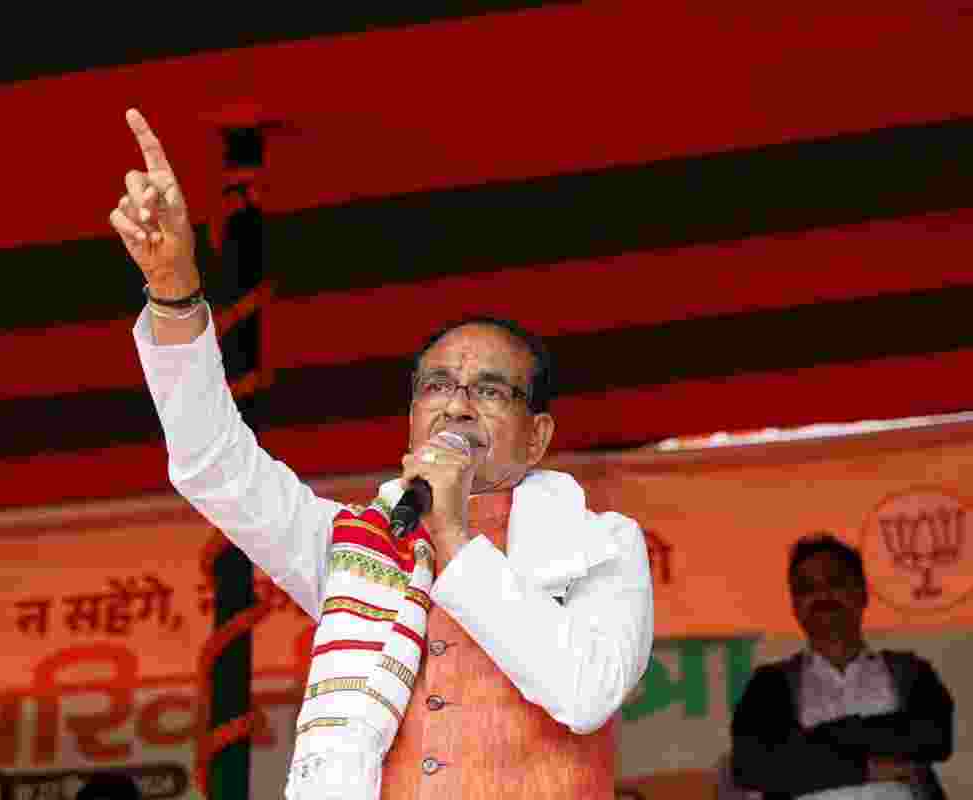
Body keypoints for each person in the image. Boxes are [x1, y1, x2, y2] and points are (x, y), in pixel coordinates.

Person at [108, 108, 655, 800]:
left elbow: (584, 691)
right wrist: (174, 292)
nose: (457, 406)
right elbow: (214, 466)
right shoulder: (358, 550)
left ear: (538, 436)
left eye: (490, 390)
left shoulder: (602, 547)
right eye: (437, 386)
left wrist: (453, 535)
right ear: (412, 416)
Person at [731, 533, 954, 800]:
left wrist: (808, 747)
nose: (822, 595)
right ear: (795, 605)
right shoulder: (769, 684)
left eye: (835, 581)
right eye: (806, 588)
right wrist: (866, 768)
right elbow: (753, 766)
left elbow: (933, 738)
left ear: (862, 593)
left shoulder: (909, 672)